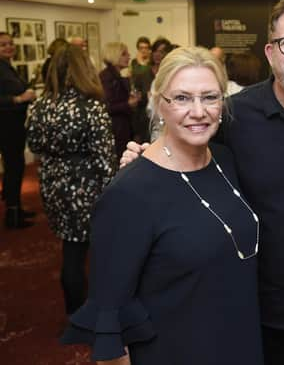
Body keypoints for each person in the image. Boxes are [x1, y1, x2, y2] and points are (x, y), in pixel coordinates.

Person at [123, 0, 284, 365]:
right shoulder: (235, 115)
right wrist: (145, 161)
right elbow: (189, 159)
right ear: (271, 52)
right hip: (255, 295)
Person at [62, 46, 263, 365]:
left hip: (238, 340)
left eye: (210, 97)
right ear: (159, 104)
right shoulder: (129, 193)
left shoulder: (224, 160)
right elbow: (110, 318)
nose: (199, 111)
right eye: (182, 98)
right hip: (174, 350)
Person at [26, 44, 116, 317]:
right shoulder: (92, 108)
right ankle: (97, 313)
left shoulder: (39, 106)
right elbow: (105, 160)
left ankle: (75, 314)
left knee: (72, 251)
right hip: (87, 186)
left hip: (53, 183)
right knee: (100, 253)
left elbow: (34, 147)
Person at [0, 32, 37, 228]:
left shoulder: (8, 67)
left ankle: (16, 208)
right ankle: (12, 215)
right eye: (3, 45)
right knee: (14, 167)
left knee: (16, 167)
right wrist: (19, 99)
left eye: (10, 44)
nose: (8, 47)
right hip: (6, 126)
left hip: (15, 125)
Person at [100, 42, 139, 157]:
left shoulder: (117, 76)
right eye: (124, 54)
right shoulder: (107, 77)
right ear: (114, 55)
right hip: (115, 129)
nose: (129, 56)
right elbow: (106, 106)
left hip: (122, 127)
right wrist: (128, 104)